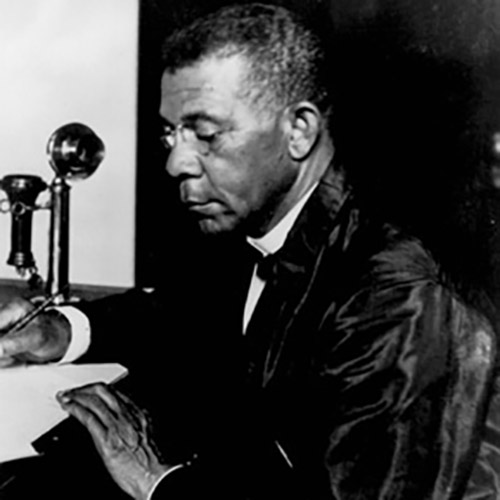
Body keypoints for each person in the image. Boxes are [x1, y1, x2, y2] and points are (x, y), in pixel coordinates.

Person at [0, 3, 496, 499]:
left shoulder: (398, 290)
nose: (175, 162)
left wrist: (161, 481)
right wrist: (61, 329)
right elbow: (179, 310)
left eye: (207, 134)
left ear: (299, 130)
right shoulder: (268, 222)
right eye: (169, 134)